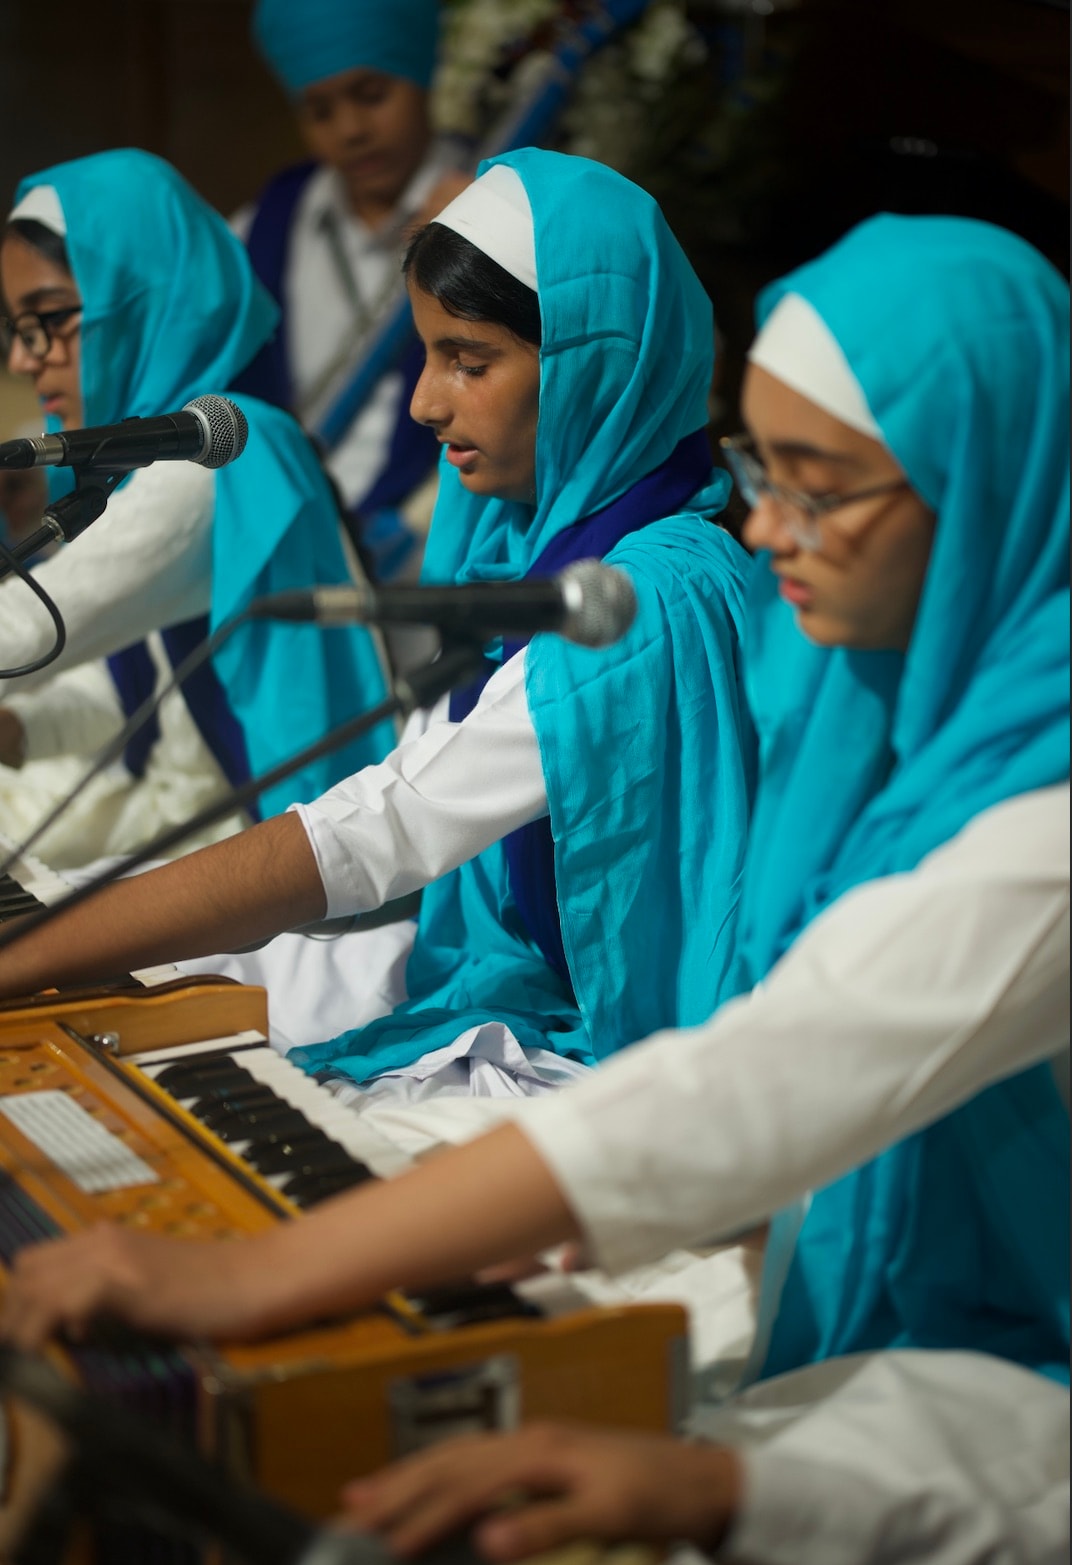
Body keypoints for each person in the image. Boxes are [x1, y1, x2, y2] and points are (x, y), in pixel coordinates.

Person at [3, 213, 1066, 1565]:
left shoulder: (1023, 793)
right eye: (766, 473)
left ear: (980, 481)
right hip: (811, 1217)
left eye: (820, 487)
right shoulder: (871, 681)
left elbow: (767, 1075)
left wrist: (244, 1275)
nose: (773, 531)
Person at [0, 149, 757, 1090]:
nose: (424, 404)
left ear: (591, 368)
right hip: (465, 955)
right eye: (427, 354)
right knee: (113, 966)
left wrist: (21, 959)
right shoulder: (519, 542)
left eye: (467, 361)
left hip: (606, 1042)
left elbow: (381, 830)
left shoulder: (637, 595)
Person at [0, 149, 394, 865]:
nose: (24, 361)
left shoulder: (216, 457)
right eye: (17, 329)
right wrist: (18, 732)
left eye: (46, 321)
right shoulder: (128, 463)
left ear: (142, 296)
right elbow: (121, 695)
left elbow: (26, 632)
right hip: (193, 835)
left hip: (277, 877)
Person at [239, 0, 468, 582]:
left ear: (420, 75)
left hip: (445, 552)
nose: (351, 130)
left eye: (371, 95)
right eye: (319, 111)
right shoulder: (260, 227)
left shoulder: (503, 199)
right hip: (286, 548)